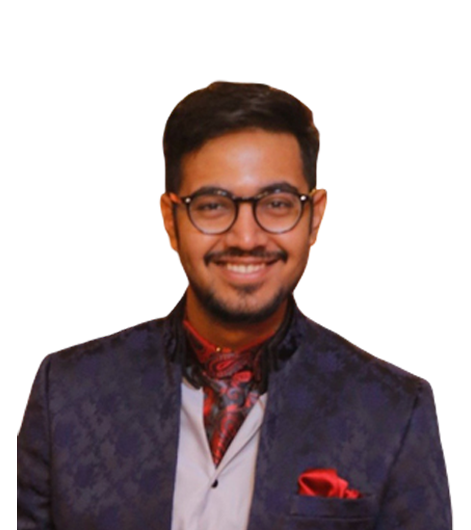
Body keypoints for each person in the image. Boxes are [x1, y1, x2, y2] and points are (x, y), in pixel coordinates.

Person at [17, 82, 451, 529]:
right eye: (212, 206)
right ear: (170, 220)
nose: (246, 237)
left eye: (277, 204)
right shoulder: (69, 394)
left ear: (315, 215)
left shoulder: (391, 412)